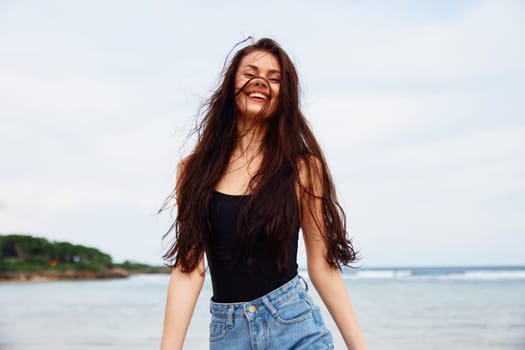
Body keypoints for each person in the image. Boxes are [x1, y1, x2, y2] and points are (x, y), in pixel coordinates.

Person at [160, 37, 368, 350]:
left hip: (295, 326)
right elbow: (188, 270)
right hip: (229, 335)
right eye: (250, 73)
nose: (261, 82)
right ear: (231, 84)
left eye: (274, 78)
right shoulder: (192, 171)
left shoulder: (302, 168)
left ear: (285, 95)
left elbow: (322, 267)